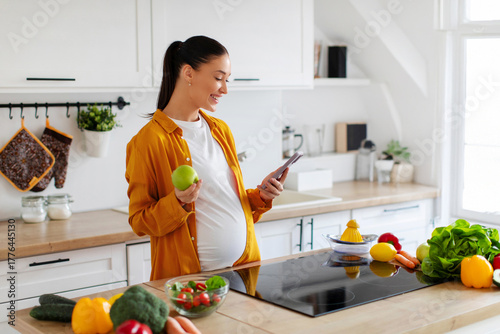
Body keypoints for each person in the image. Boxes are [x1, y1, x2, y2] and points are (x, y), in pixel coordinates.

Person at [125, 35, 288, 281]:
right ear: (189, 73)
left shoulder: (220, 130)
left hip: (243, 270)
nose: (224, 89)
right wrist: (178, 202)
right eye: (218, 78)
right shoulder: (149, 141)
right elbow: (139, 222)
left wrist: (261, 196)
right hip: (191, 283)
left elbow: (226, 204)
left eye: (227, 80)